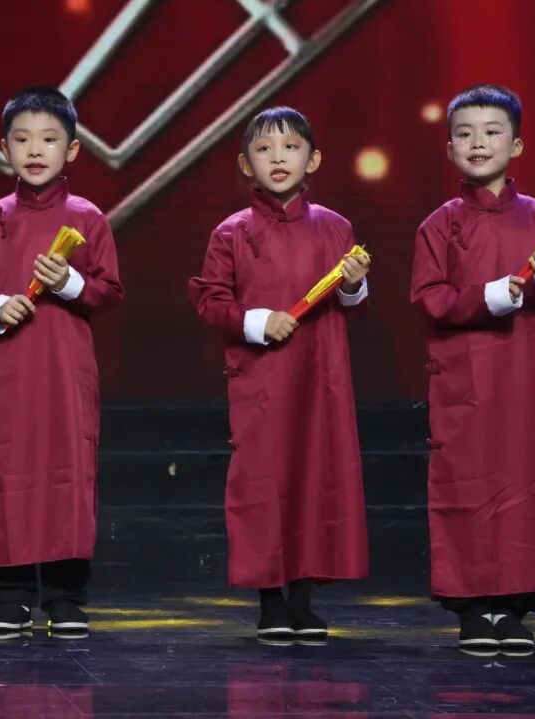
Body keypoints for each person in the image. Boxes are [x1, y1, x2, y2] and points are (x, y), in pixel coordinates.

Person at [410, 84, 535, 657]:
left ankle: (512, 608)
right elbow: (429, 298)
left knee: (525, 484)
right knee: (467, 487)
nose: (478, 142)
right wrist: (490, 295)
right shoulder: (439, 224)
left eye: (492, 132)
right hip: (463, 377)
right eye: (465, 133)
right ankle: (473, 608)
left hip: (525, 377)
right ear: (449, 148)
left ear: (517, 145)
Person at [189, 106, 370, 645]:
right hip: (261, 377)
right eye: (264, 149)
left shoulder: (336, 227)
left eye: (291, 147)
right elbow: (211, 301)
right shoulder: (231, 232)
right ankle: (270, 601)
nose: (278, 158)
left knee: (315, 477)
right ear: (246, 164)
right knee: (265, 483)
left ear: (313, 159)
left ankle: (303, 602)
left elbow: (352, 304)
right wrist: (257, 321)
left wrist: (354, 284)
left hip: (321, 375)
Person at [0, 86, 124, 639]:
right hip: (6, 372)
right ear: (5, 149)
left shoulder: (88, 219)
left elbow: (110, 292)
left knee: (67, 478)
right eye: (22, 140)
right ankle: (11, 597)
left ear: (71, 150)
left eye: (49, 140)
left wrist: (70, 283)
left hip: (65, 372)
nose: (35, 150)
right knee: (5, 477)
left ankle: (66, 597)